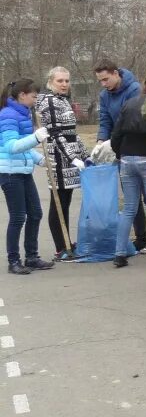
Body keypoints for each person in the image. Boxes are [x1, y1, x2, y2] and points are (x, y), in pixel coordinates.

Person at [110, 71, 146, 269]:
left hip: (126, 158)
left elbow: (116, 134)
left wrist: (119, 154)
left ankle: (119, 254)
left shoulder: (129, 104)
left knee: (129, 209)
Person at [94, 60, 146, 252]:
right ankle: (141, 237)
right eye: (100, 81)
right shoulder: (104, 96)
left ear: (116, 73)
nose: (104, 84)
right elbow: (105, 120)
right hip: (121, 149)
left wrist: (115, 137)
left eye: (106, 79)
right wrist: (102, 141)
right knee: (131, 197)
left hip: (139, 146)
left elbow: (135, 118)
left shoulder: (134, 89)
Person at [1, 79, 55, 275]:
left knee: (35, 213)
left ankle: (31, 256)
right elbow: (11, 147)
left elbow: (24, 149)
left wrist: (40, 160)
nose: (35, 100)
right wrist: (36, 138)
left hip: (23, 171)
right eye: (33, 96)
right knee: (18, 217)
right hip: (9, 173)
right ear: (22, 95)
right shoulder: (8, 115)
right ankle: (13, 260)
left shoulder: (23, 113)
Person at [35, 67, 87, 261]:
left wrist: (84, 154)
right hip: (58, 159)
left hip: (69, 158)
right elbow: (56, 135)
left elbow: (71, 133)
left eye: (66, 80)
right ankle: (60, 247)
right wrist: (72, 157)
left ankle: (66, 242)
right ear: (51, 81)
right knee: (59, 203)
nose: (64, 84)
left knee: (65, 201)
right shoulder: (49, 101)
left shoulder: (63, 100)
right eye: (60, 81)